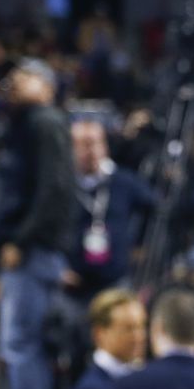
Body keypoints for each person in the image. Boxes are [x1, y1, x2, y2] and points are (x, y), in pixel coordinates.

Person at [0, 58, 74, 389]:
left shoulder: (45, 122)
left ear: (48, 84)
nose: (15, 82)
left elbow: (55, 190)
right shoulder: (26, 126)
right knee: (22, 345)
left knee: (22, 345)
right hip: (24, 250)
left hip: (30, 251)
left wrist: (22, 240)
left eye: (26, 75)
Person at [60, 119, 155, 315]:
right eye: (84, 144)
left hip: (115, 282)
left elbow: (156, 209)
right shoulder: (61, 185)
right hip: (73, 287)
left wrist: (139, 245)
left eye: (96, 142)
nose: (91, 150)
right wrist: (58, 266)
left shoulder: (123, 182)